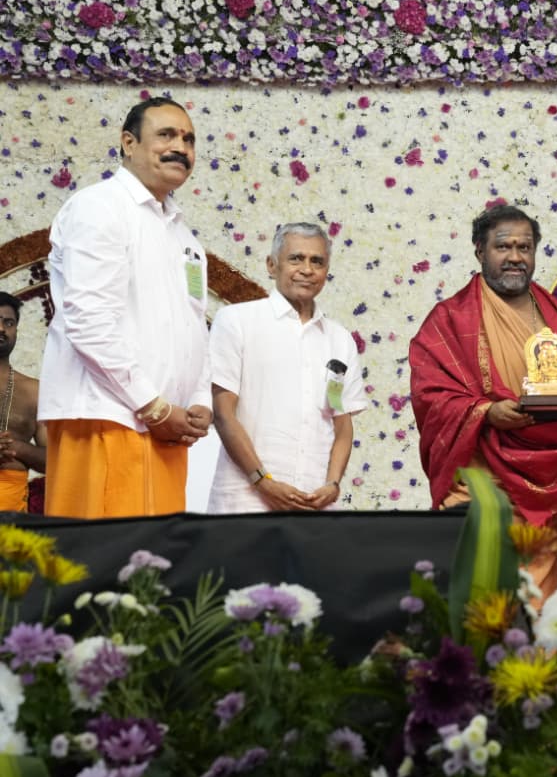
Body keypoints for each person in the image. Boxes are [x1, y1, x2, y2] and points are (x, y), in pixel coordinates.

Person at [409, 204, 557, 596]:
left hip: (553, 473)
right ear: (479, 251)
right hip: (484, 475)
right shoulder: (450, 318)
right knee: (483, 586)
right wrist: (486, 412)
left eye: (525, 247)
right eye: (504, 247)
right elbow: (430, 393)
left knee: (542, 588)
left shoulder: (556, 315)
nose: (516, 257)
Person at [38, 96, 212, 518]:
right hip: (107, 417)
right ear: (129, 143)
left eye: (188, 139)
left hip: (165, 428)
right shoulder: (99, 207)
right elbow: (88, 321)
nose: (181, 147)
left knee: (151, 569)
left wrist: (199, 401)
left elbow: (193, 327)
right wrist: (151, 405)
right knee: (103, 569)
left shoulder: (184, 237)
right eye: (166, 134)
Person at [206, 223, 366, 513]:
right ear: (272, 265)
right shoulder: (236, 321)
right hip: (246, 499)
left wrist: (332, 485)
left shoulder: (339, 339)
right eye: (296, 258)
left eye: (316, 261)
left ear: (326, 271)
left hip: (314, 503)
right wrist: (262, 481)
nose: (307, 269)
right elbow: (223, 413)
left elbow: (342, 426)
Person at [0, 293, 46, 512]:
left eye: (8, 322)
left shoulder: (34, 391)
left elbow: (53, 461)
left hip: (11, 519)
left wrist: (16, 447)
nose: (1, 329)